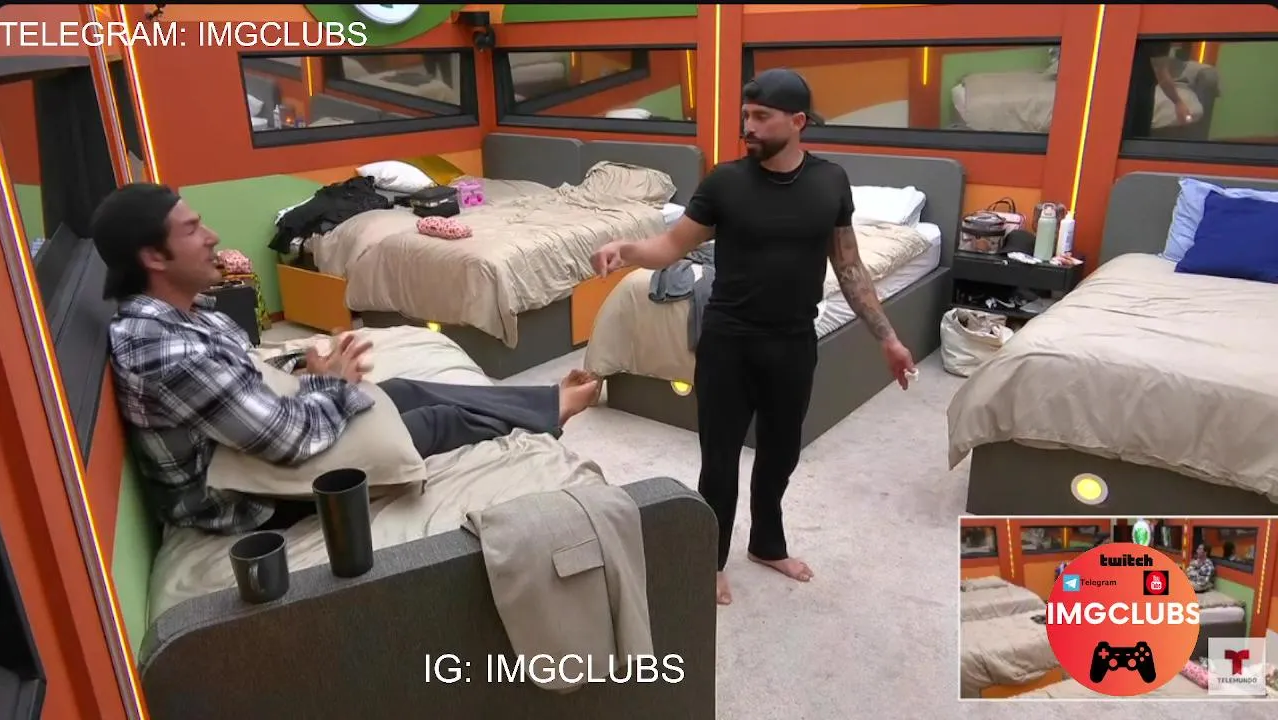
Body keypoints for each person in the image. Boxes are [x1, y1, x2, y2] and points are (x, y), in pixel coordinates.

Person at [94, 183, 601, 535]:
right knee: (433, 421)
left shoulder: (184, 315)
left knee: (399, 390)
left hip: (244, 450)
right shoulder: (167, 352)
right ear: (153, 257)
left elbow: (242, 381)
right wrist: (331, 383)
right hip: (241, 496)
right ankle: (548, 411)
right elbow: (289, 439)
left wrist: (304, 371)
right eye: (191, 230)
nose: (212, 238)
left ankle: (544, 402)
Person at [590, 69, 917, 606]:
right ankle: (712, 559)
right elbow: (670, 246)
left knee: (780, 455)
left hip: (793, 343)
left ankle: (767, 545)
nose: (749, 126)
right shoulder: (725, 182)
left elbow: (850, 266)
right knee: (719, 459)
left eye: (761, 117)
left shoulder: (831, 182)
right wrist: (625, 249)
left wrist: (888, 339)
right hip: (728, 343)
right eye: (746, 115)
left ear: (798, 121)